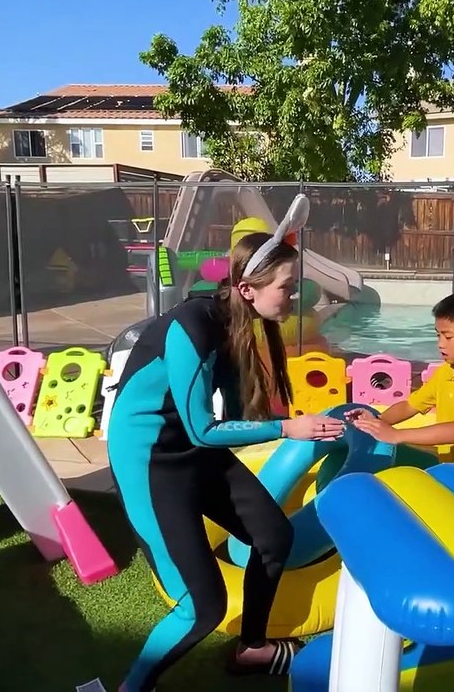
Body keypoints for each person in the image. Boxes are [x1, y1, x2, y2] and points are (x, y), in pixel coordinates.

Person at [106, 201, 346, 692]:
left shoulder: (238, 322)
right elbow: (202, 429)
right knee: (203, 606)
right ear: (247, 289)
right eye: (286, 286)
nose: (293, 295)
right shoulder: (192, 326)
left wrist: (284, 423)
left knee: (274, 537)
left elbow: (230, 418)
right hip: (151, 462)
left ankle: (252, 647)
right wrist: (288, 431)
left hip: (192, 449)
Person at [348, 289, 454, 467]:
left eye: (448, 337)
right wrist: (376, 422)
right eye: (438, 335)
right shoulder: (447, 372)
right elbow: (410, 405)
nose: (440, 344)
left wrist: (396, 435)